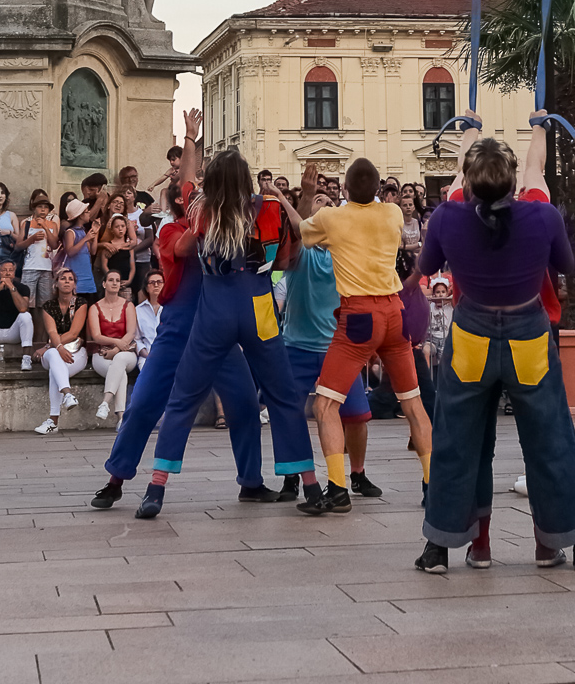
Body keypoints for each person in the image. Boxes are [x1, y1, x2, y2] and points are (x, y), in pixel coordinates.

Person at [414, 127, 575, 575]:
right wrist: (539, 128)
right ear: (512, 177)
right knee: (551, 439)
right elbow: (566, 265)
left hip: (472, 334)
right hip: (527, 335)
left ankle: (443, 546)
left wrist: (469, 135)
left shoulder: (447, 216)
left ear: (467, 178)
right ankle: (572, 543)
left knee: (457, 442)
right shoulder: (541, 216)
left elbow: (426, 265)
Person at [135, 135, 318, 521]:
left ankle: (156, 487)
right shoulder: (269, 206)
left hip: (215, 309)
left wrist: (189, 140)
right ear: (248, 179)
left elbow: (186, 183)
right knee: (283, 396)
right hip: (259, 306)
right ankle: (311, 484)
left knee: (184, 396)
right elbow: (288, 257)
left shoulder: (202, 209)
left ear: (213, 181)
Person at [92, 117, 268, 512]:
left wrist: (190, 139)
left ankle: (251, 482)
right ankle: (116, 478)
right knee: (144, 405)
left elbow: (190, 178)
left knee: (243, 404)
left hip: (218, 334)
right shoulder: (173, 232)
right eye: (186, 193)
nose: (191, 191)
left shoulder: (215, 217)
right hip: (178, 334)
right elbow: (190, 238)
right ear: (179, 204)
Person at [298, 156, 431, 515]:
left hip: (358, 315)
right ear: (379, 190)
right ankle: (432, 485)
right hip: (394, 312)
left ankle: (338, 488)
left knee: (326, 404)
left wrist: (306, 195)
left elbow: (302, 232)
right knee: (413, 403)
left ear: (342, 189)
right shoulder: (391, 214)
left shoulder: (331, 218)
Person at [278, 171, 381, 510]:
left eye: (330, 206)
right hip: (297, 346)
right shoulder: (299, 253)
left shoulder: (343, 253)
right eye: (319, 206)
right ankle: (293, 476)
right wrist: (308, 196)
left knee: (357, 416)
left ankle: (357, 473)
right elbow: (298, 227)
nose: (325, 209)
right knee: (289, 413)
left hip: (339, 347)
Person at [36, 268, 88, 433]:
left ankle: (53, 421)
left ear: (74, 284)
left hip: (75, 351)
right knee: (53, 356)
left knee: (54, 370)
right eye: (63, 278)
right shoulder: (48, 306)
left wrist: (49, 346)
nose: (66, 281)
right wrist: (57, 347)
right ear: (56, 283)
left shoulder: (81, 303)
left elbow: (73, 333)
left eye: (70, 279)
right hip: (55, 351)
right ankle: (67, 394)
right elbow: (51, 332)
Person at [87, 269, 138, 425]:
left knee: (120, 359)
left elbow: (131, 332)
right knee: (119, 371)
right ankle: (121, 418)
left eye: (117, 280)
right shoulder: (94, 308)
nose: (115, 283)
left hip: (126, 352)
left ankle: (105, 402)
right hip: (101, 353)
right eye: (111, 280)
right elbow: (96, 336)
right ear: (104, 284)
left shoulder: (128, 306)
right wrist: (116, 342)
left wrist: (116, 349)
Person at [17, 192, 58, 321]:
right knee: (26, 304)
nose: (43, 210)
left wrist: (45, 226)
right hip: (30, 267)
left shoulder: (53, 225)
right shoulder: (26, 224)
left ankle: (41, 338)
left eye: (45, 207)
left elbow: (54, 244)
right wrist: (32, 239)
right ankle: (29, 336)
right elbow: (18, 246)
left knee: (45, 306)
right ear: (34, 208)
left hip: (46, 269)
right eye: (40, 207)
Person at [61, 198, 100, 303]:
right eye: (87, 212)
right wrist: (86, 238)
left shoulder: (83, 231)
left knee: (90, 304)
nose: (89, 213)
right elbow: (70, 252)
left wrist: (95, 234)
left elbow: (93, 251)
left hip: (87, 276)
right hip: (76, 278)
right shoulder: (70, 232)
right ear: (80, 215)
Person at [95, 214, 137, 293]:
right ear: (112, 230)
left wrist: (129, 280)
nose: (120, 229)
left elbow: (132, 266)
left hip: (125, 283)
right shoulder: (108, 247)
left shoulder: (129, 247)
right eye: (117, 227)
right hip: (111, 284)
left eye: (122, 226)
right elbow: (104, 266)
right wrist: (112, 279)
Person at [135, 268, 164, 365]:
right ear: (146, 288)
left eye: (159, 282)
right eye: (152, 282)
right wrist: (146, 355)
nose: (156, 285)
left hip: (169, 355)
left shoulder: (172, 309)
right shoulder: (138, 310)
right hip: (147, 357)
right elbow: (137, 339)